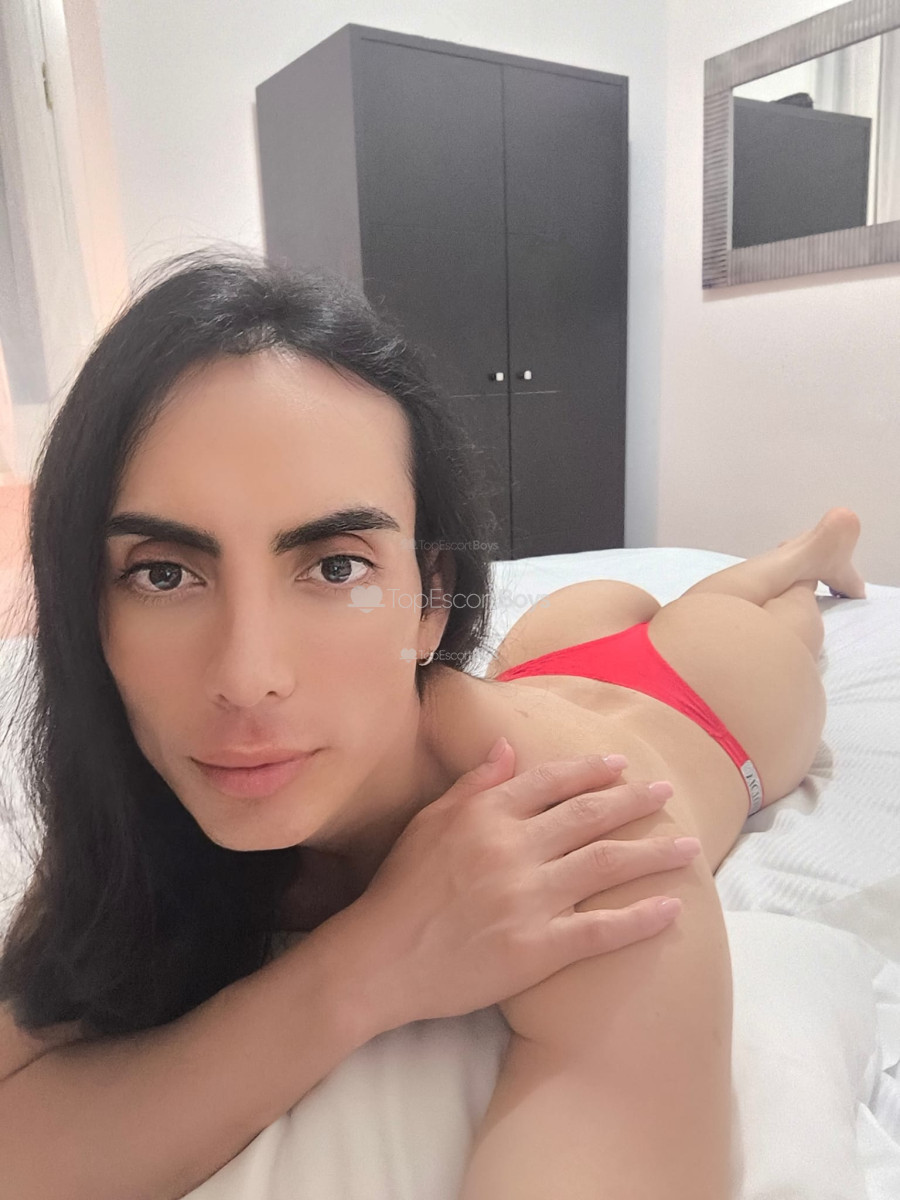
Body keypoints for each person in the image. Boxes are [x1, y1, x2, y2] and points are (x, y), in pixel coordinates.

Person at [0, 248, 865, 1199]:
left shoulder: (601, 837)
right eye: (164, 573)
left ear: (431, 600)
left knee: (758, 616)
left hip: (700, 701)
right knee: (632, 602)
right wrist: (362, 966)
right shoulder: (130, 798)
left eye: (336, 566)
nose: (247, 681)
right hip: (538, 662)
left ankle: (805, 556)